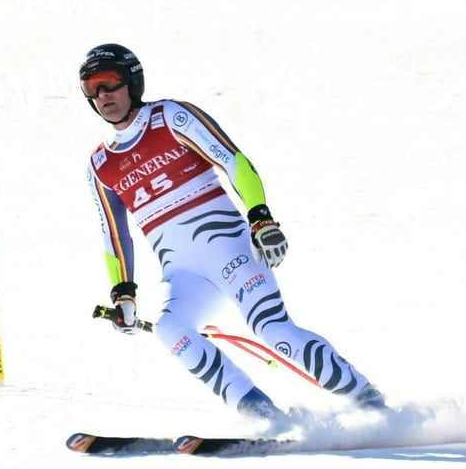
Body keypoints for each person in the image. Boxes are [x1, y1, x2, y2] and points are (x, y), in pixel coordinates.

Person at [80, 43, 386, 430]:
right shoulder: (100, 164)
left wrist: (261, 218)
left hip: (230, 250)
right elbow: (113, 232)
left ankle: (372, 404)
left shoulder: (170, 116)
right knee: (172, 331)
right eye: (92, 88)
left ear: (132, 82)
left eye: (109, 83)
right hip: (185, 274)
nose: (102, 96)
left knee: (273, 331)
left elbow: (232, 159)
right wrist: (122, 292)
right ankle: (265, 418)